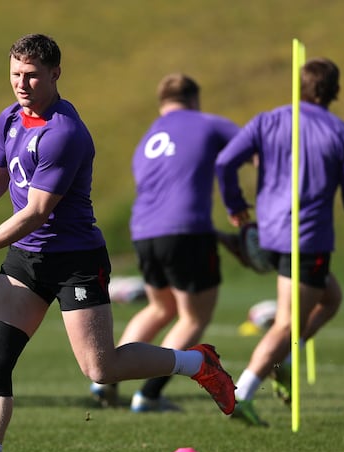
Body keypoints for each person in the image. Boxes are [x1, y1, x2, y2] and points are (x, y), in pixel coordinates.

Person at [0, 34, 236, 452]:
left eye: (31, 76)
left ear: (55, 74)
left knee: (100, 369)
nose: (21, 84)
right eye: (14, 74)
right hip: (25, 258)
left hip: (74, 261)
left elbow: (35, 212)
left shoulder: (65, 133)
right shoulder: (9, 119)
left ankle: (196, 362)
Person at [215, 57, 344, 426]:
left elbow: (225, 162)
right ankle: (242, 393)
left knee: (331, 298)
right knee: (286, 324)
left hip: (268, 235)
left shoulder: (267, 120)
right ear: (335, 91)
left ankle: (282, 360)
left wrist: (236, 205)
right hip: (306, 240)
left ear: (299, 87)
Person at [91, 74, 241, 413]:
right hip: (187, 232)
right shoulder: (209, 123)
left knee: (160, 308)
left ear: (162, 102)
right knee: (194, 317)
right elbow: (250, 150)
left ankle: (108, 378)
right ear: (194, 99)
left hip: (144, 232)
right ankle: (150, 394)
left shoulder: (148, 138)